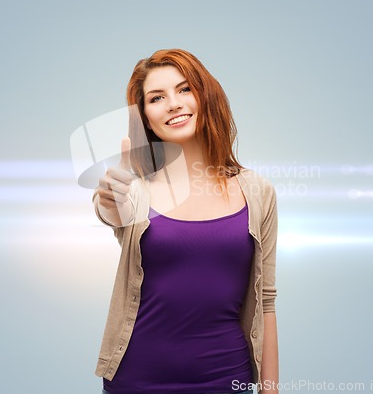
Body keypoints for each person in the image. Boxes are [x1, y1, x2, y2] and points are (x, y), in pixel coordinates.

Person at [92, 49, 279, 394]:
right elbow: (110, 211)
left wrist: (270, 389)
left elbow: (265, 300)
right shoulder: (132, 189)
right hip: (135, 381)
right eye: (156, 98)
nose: (173, 104)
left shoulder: (258, 191)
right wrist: (110, 198)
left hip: (226, 379)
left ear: (205, 96)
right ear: (146, 118)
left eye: (184, 89)